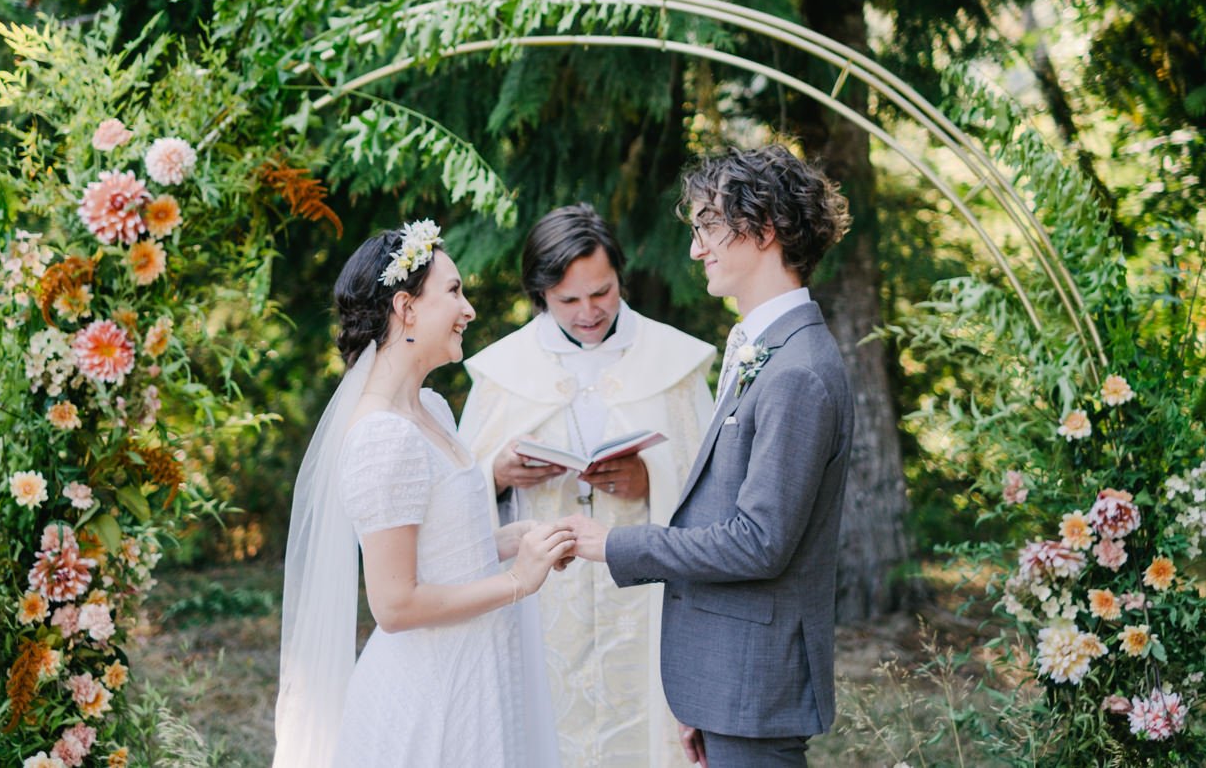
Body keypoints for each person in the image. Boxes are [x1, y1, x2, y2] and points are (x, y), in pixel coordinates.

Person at [566, 145, 854, 768]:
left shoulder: (798, 371)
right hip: (730, 683)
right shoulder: (763, 347)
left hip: (757, 684)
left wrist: (616, 543)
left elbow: (759, 542)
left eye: (707, 226)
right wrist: (702, 694)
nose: (697, 249)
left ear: (765, 227)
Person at [272, 219, 576, 767]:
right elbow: (394, 604)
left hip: (479, 664)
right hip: (432, 690)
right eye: (455, 292)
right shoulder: (382, 434)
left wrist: (515, 539)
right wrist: (517, 581)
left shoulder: (431, 409)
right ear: (406, 309)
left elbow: (445, 547)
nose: (469, 311)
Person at [460, 204, 716, 767]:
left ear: (619, 276)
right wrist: (498, 476)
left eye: (601, 293)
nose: (588, 313)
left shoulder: (674, 362)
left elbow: (712, 486)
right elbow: (455, 497)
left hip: (646, 595)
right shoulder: (503, 372)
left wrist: (651, 478)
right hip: (539, 599)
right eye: (567, 300)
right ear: (540, 294)